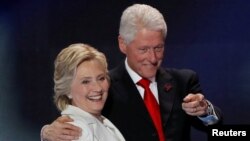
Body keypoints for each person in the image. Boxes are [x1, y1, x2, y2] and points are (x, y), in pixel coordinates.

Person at [41, 4, 222, 141]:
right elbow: (72, 118)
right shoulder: (104, 87)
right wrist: (46, 132)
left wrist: (205, 110)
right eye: (143, 49)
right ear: (123, 44)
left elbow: (219, 130)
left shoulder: (183, 81)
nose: (152, 58)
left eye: (158, 47)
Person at [49, 43, 125, 141]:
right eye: (85, 82)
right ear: (67, 90)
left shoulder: (100, 121)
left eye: (101, 78)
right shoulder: (76, 131)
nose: (97, 88)